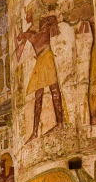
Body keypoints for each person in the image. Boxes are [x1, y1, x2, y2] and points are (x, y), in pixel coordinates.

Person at [16, 11, 64, 142]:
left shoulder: (44, 23)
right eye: (28, 16)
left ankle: (59, 123)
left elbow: (54, 20)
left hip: (47, 56)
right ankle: (35, 132)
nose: (28, 18)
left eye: (30, 15)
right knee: (38, 96)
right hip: (40, 60)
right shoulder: (30, 32)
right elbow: (20, 48)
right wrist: (23, 37)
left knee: (54, 90)